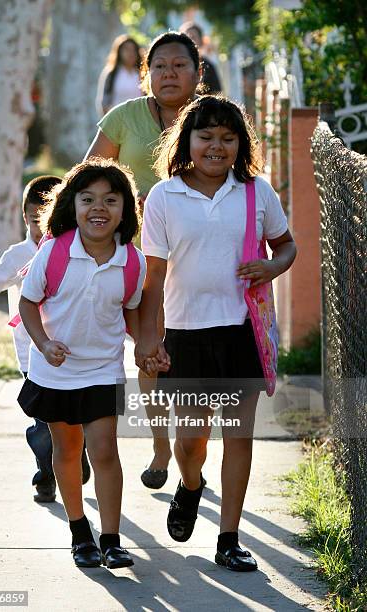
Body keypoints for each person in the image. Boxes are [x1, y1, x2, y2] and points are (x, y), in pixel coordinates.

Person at [136, 95, 297, 571]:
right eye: (205, 136)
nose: (216, 146)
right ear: (186, 140)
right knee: (189, 441)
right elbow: (154, 276)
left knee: (238, 436)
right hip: (183, 335)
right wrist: (151, 338)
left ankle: (229, 538)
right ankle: (190, 485)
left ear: (240, 144)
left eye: (228, 138)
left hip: (241, 332)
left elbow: (287, 246)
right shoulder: (165, 196)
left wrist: (271, 265)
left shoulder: (256, 192)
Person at [17, 158, 147, 569]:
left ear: (125, 210)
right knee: (68, 450)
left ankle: (110, 539)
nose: (99, 208)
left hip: (103, 370)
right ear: (72, 205)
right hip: (54, 369)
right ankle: (79, 533)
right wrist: (43, 342)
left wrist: (146, 345)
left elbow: (129, 311)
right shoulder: (54, 251)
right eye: (88, 198)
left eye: (111, 200)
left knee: (105, 450)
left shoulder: (132, 262)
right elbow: (27, 302)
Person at [85, 30, 202, 489]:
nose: (168, 74)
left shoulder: (213, 118)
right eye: (159, 67)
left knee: (194, 361)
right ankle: (159, 447)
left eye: (178, 65)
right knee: (150, 355)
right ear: (145, 74)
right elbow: (88, 179)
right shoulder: (123, 118)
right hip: (138, 261)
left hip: (198, 260)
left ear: (197, 72)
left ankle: (193, 454)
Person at [0, 176, 92, 504]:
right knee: (45, 422)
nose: (43, 225)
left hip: (72, 351)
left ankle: (78, 452)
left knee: (74, 416)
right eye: (36, 219)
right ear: (25, 217)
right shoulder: (18, 254)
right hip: (32, 355)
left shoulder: (78, 248)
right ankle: (46, 473)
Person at [96, 35, 143, 117]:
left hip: (138, 122)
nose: (130, 53)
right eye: (127, 49)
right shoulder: (112, 73)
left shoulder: (142, 74)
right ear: (119, 52)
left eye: (133, 50)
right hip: (117, 122)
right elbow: (104, 102)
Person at [180, 22, 222, 94]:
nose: (189, 41)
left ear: (200, 41)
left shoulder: (208, 66)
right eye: (185, 37)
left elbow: (216, 94)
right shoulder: (175, 65)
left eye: (193, 37)